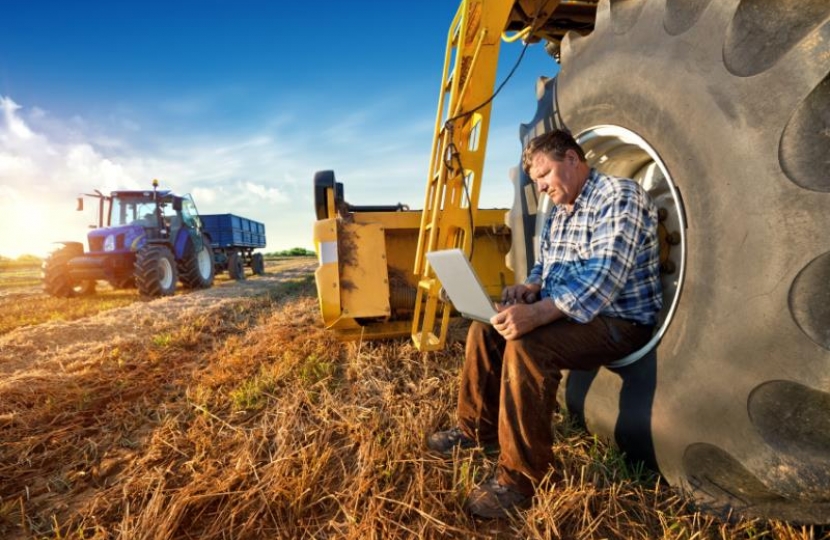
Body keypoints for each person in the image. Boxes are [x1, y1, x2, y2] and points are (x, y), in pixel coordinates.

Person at [427, 129, 663, 519]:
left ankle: (522, 479)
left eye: (544, 175)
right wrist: (531, 287)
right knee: (485, 329)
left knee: (527, 345)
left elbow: (603, 278)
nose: (540, 188)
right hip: (572, 314)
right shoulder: (560, 209)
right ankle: (475, 432)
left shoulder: (619, 196)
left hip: (618, 320)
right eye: (535, 181)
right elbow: (546, 264)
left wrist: (537, 314)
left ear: (572, 159)